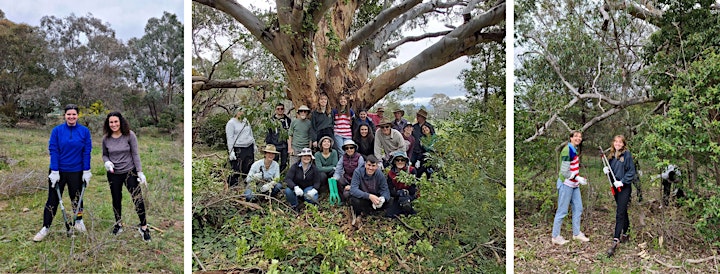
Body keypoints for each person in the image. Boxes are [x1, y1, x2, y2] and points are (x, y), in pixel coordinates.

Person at [34, 104, 92, 242]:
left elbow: (86, 151)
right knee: (52, 200)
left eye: (74, 114)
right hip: (58, 171)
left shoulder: (84, 131)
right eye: (68, 114)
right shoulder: (57, 131)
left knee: (76, 198)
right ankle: (46, 227)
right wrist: (54, 170)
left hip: (76, 171)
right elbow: (53, 150)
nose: (71, 117)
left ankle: (78, 221)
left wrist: (86, 170)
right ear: (64, 115)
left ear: (78, 116)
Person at [100, 111, 151, 241]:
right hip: (113, 174)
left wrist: (139, 171)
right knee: (116, 199)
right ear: (108, 123)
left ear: (120, 122)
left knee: (137, 199)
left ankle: (144, 227)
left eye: (116, 121)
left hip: (130, 172)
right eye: (111, 122)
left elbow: (135, 154)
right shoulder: (106, 138)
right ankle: (118, 224)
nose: (113, 124)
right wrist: (107, 162)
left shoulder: (129, 135)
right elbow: (104, 154)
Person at [551, 130, 590, 245]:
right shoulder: (567, 150)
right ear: (571, 138)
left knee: (578, 208)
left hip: (574, 185)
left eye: (580, 137)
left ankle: (576, 234)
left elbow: (572, 168)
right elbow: (564, 172)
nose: (578, 138)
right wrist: (577, 178)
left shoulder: (574, 149)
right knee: (562, 211)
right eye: (576, 136)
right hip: (566, 184)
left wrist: (578, 179)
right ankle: (555, 236)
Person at [604, 135, 637, 257]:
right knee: (622, 210)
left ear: (623, 144)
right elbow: (612, 173)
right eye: (615, 142)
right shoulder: (612, 156)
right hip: (615, 187)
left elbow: (631, 172)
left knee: (619, 212)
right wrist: (607, 171)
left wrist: (622, 181)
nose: (617, 144)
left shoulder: (627, 155)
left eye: (620, 142)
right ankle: (626, 232)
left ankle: (615, 239)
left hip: (624, 187)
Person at [348, 155, 392, 224]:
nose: (370, 168)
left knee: (390, 201)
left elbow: (385, 190)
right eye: (369, 165)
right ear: (365, 165)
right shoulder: (358, 172)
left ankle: (373, 211)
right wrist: (369, 196)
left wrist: (382, 199)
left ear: (377, 167)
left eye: (373, 166)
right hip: (363, 197)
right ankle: (361, 213)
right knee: (354, 199)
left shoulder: (380, 174)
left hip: (376, 198)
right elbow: (353, 189)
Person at [226, 106, 257, 187]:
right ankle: (233, 186)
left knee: (248, 166)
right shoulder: (231, 123)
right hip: (238, 148)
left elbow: (250, 133)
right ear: (236, 112)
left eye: (242, 111)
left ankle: (248, 185)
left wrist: (254, 145)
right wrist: (231, 151)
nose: (241, 113)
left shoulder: (246, 121)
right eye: (239, 111)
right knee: (236, 168)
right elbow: (230, 138)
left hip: (248, 146)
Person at [386, 151, 418, 216]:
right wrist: (397, 193)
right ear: (394, 162)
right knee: (389, 214)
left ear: (405, 161)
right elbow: (390, 189)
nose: (400, 162)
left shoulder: (411, 170)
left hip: (410, 196)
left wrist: (405, 192)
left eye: (402, 160)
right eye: (397, 160)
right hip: (397, 196)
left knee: (407, 205)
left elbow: (413, 189)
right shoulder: (390, 173)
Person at [265, 103, 291, 172]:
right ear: (275, 110)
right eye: (278, 109)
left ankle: (279, 174)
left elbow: (290, 133)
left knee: (284, 162)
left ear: (284, 110)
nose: (280, 110)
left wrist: (290, 146)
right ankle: (272, 174)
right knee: (273, 161)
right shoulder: (271, 120)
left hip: (285, 145)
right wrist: (269, 145)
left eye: (282, 109)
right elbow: (268, 133)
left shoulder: (288, 120)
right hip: (275, 144)